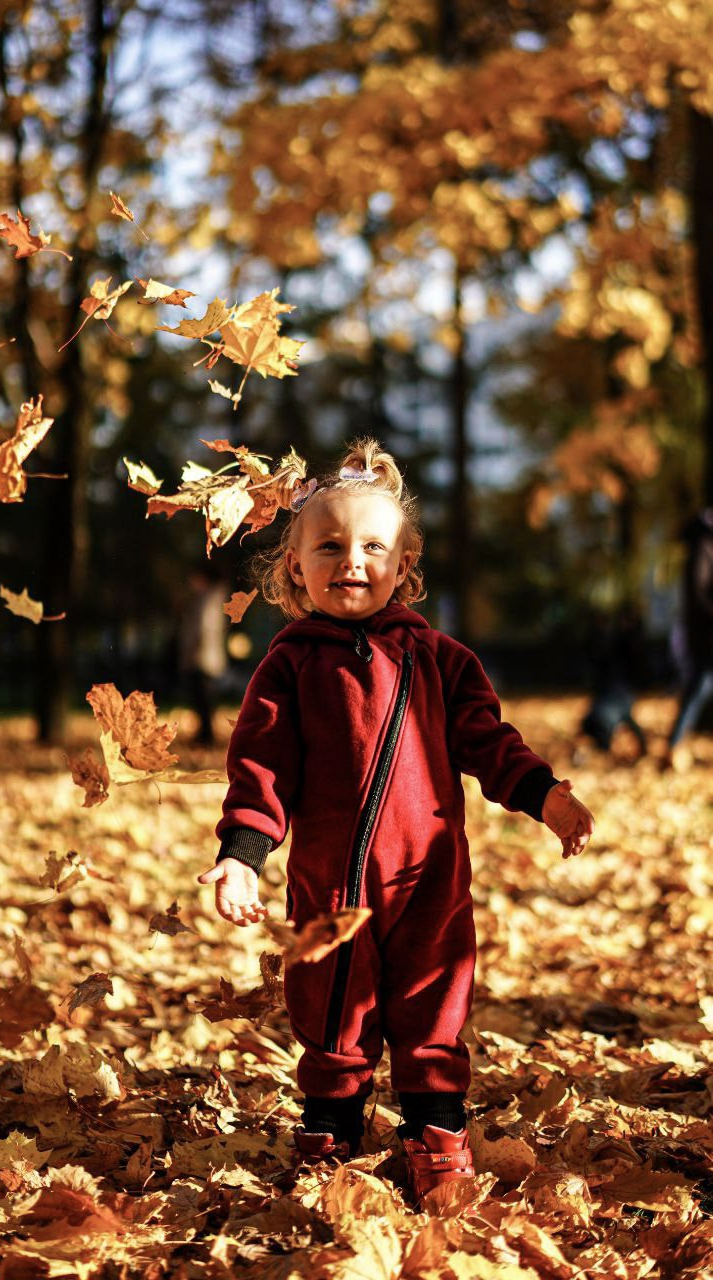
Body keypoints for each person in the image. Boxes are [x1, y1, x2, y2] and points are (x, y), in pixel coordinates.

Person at [197, 438, 594, 1210]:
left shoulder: (440, 660)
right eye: (330, 546)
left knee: (432, 1005)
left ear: (403, 565)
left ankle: (436, 1133)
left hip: (429, 879)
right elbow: (260, 769)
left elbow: (488, 742)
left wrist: (543, 794)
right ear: (294, 568)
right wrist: (242, 853)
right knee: (332, 1008)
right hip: (330, 887)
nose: (351, 560)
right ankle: (332, 1131)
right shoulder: (288, 665)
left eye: (373, 547)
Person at [664, 508, 713, 767]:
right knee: (698, 687)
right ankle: (673, 747)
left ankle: (673, 746)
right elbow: (698, 594)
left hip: (703, 633)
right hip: (706, 635)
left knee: (699, 687)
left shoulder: (703, 543)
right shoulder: (704, 544)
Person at [579, 606, 648, 758]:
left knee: (617, 716)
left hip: (615, 689)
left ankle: (604, 747)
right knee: (621, 716)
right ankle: (640, 747)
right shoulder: (610, 640)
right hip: (614, 689)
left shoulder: (621, 640)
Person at [177, 564, 228, 746]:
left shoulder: (208, 600)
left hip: (202, 657)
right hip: (204, 656)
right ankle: (204, 733)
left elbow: (202, 628)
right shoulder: (207, 599)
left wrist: (192, 651)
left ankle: (206, 735)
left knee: (203, 698)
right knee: (202, 698)